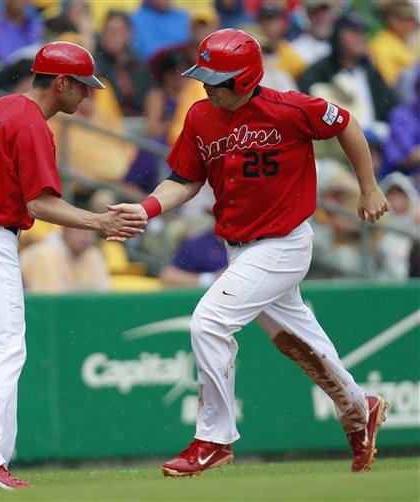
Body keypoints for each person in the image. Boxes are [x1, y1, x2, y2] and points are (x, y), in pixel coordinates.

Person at [108, 29, 390, 477]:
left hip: (284, 243)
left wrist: (369, 187)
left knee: (208, 322)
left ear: (243, 79)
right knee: (300, 345)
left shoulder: (290, 107)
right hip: (239, 249)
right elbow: (184, 179)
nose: (204, 84)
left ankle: (214, 439)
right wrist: (146, 207)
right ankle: (360, 410)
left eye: (215, 77)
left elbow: (347, 124)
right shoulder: (201, 116)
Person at [0, 41, 146, 491]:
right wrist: (100, 220)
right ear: (60, 82)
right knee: (5, 349)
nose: (87, 95)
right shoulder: (32, 124)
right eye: (82, 86)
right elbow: (39, 202)